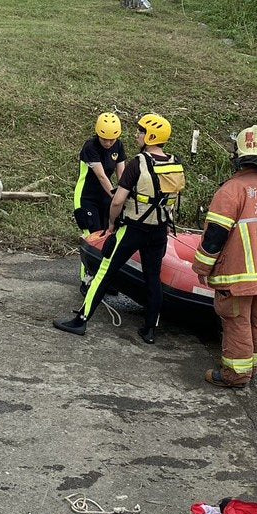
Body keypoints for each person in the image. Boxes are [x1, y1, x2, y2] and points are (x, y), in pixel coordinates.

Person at [54, 112, 184, 345]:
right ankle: (149, 330)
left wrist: (112, 224)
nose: (137, 134)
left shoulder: (137, 163)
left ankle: (81, 320)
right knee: (153, 278)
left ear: (150, 136)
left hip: (133, 228)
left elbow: (117, 200)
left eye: (141, 131)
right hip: (158, 231)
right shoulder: (175, 164)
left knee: (105, 271)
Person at [192, 126, 257, 387]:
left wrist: (202, 267)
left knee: (237, 321)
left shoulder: (231, 190)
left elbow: (214, 236)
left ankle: (236, 376)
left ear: (237, 155)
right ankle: (252, 367)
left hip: (235, 276)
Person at [72, 112, 127, 288]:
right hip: (86, 197)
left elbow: (122, 174)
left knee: (107, 235)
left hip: (106, 198)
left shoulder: (118, 145)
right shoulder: (90, 147)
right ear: (98, 134)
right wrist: (116, 196)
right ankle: (87, 280)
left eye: (112, 139)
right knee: (92, 237)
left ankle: (102, 280)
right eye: (105, 139)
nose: (109, 143)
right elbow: (102, 176)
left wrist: (125, 192)